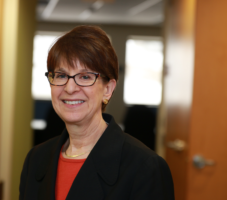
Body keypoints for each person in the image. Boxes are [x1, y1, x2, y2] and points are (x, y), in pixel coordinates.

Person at [19, 25, 174, 200]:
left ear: (108, 89)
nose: (70, 88)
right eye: (61, 75)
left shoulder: (146, 167)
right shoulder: (36, 159)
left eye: (85, 77)